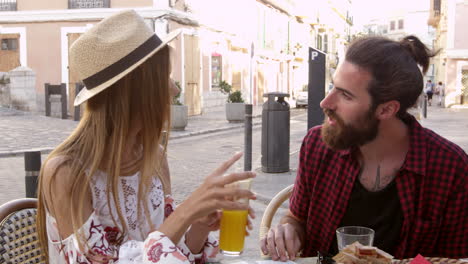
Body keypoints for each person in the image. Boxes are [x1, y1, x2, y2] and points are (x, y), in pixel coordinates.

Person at [37, 10, 256, 264]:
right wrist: (185, 213)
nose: (174, 89)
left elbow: (167, 254)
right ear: (135, 92)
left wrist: (198, 226)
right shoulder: (66, 173)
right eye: (165, 78)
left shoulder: (154, 157)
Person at [260, 35, 468, 261]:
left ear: (386, 110)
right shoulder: (317, 145)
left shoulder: (450, 168)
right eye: (333, 87)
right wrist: (288, 231)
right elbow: (296, 217)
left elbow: (455, 259)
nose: (325, 102)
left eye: (346, 95)